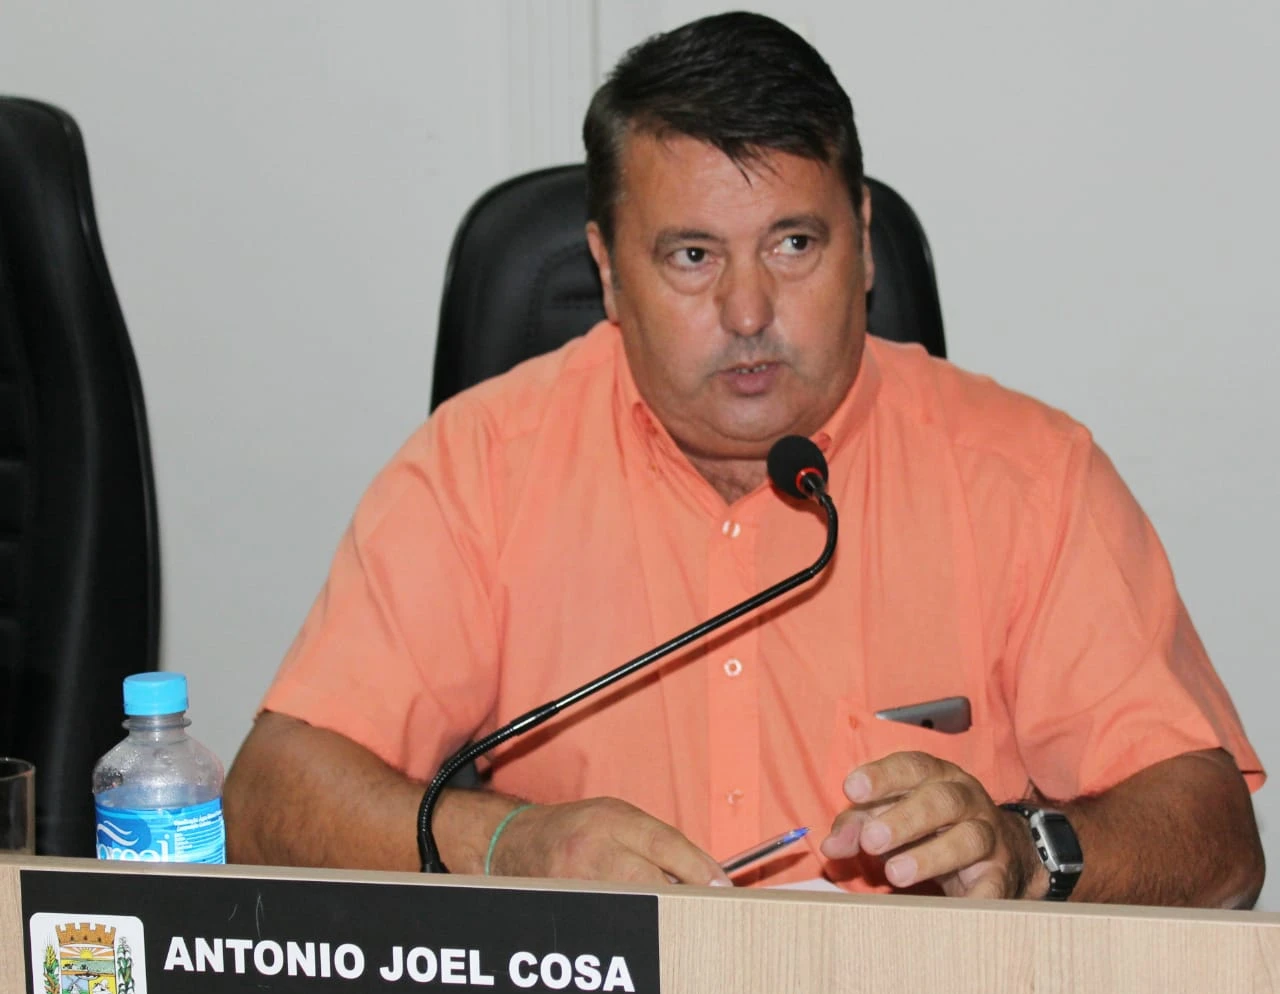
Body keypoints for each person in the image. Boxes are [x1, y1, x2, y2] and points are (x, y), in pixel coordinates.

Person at [225, 11, 1265, 905]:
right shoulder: (482, 466)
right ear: (607, 269)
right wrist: (508, 844)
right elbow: (270, 793)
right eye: (692, 256)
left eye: (792, 244)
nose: (749, 311)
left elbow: (1216, 837)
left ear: (861, 240)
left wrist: (1027, 851)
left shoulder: (1028, 477)